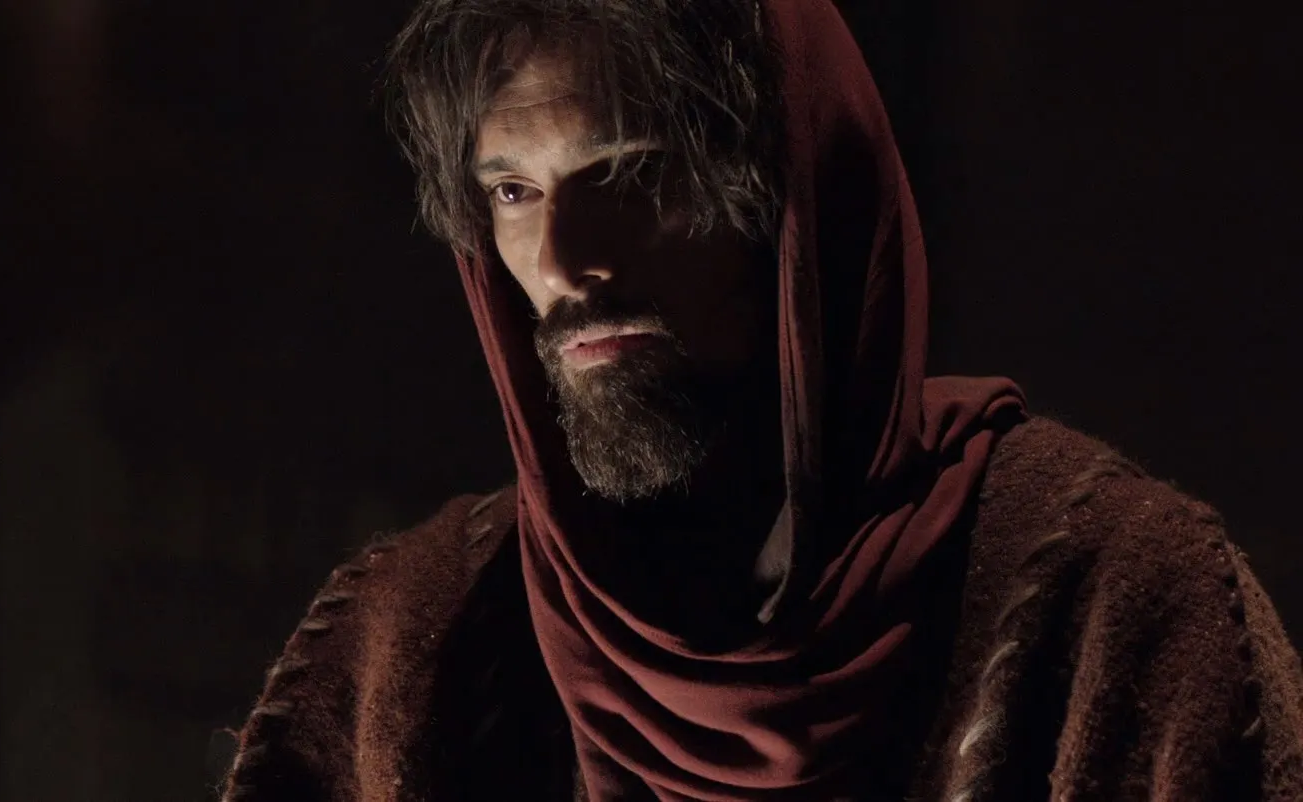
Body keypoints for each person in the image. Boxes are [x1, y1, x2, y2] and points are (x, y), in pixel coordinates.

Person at [219, 0, 1303, 799]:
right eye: (511, 190)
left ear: (794, 195)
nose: (561, 259)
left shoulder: (1111, 604)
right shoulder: (409, 649)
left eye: (633, 171)